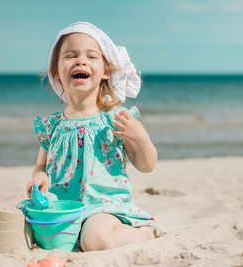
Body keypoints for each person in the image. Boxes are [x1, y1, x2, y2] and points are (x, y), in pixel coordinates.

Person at [26, 22, 157, 252]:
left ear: (106, 71)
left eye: (91, 56)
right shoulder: (53, 126)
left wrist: (140, 137)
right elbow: (40, 165)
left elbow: (147, 165)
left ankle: (142, 235)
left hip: (103, 208)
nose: (80, 61)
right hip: (62, 206)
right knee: (18, 226)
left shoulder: (115, 119)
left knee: (94, 241)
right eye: (70, 55)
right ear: (56, 70)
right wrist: (40, 178)